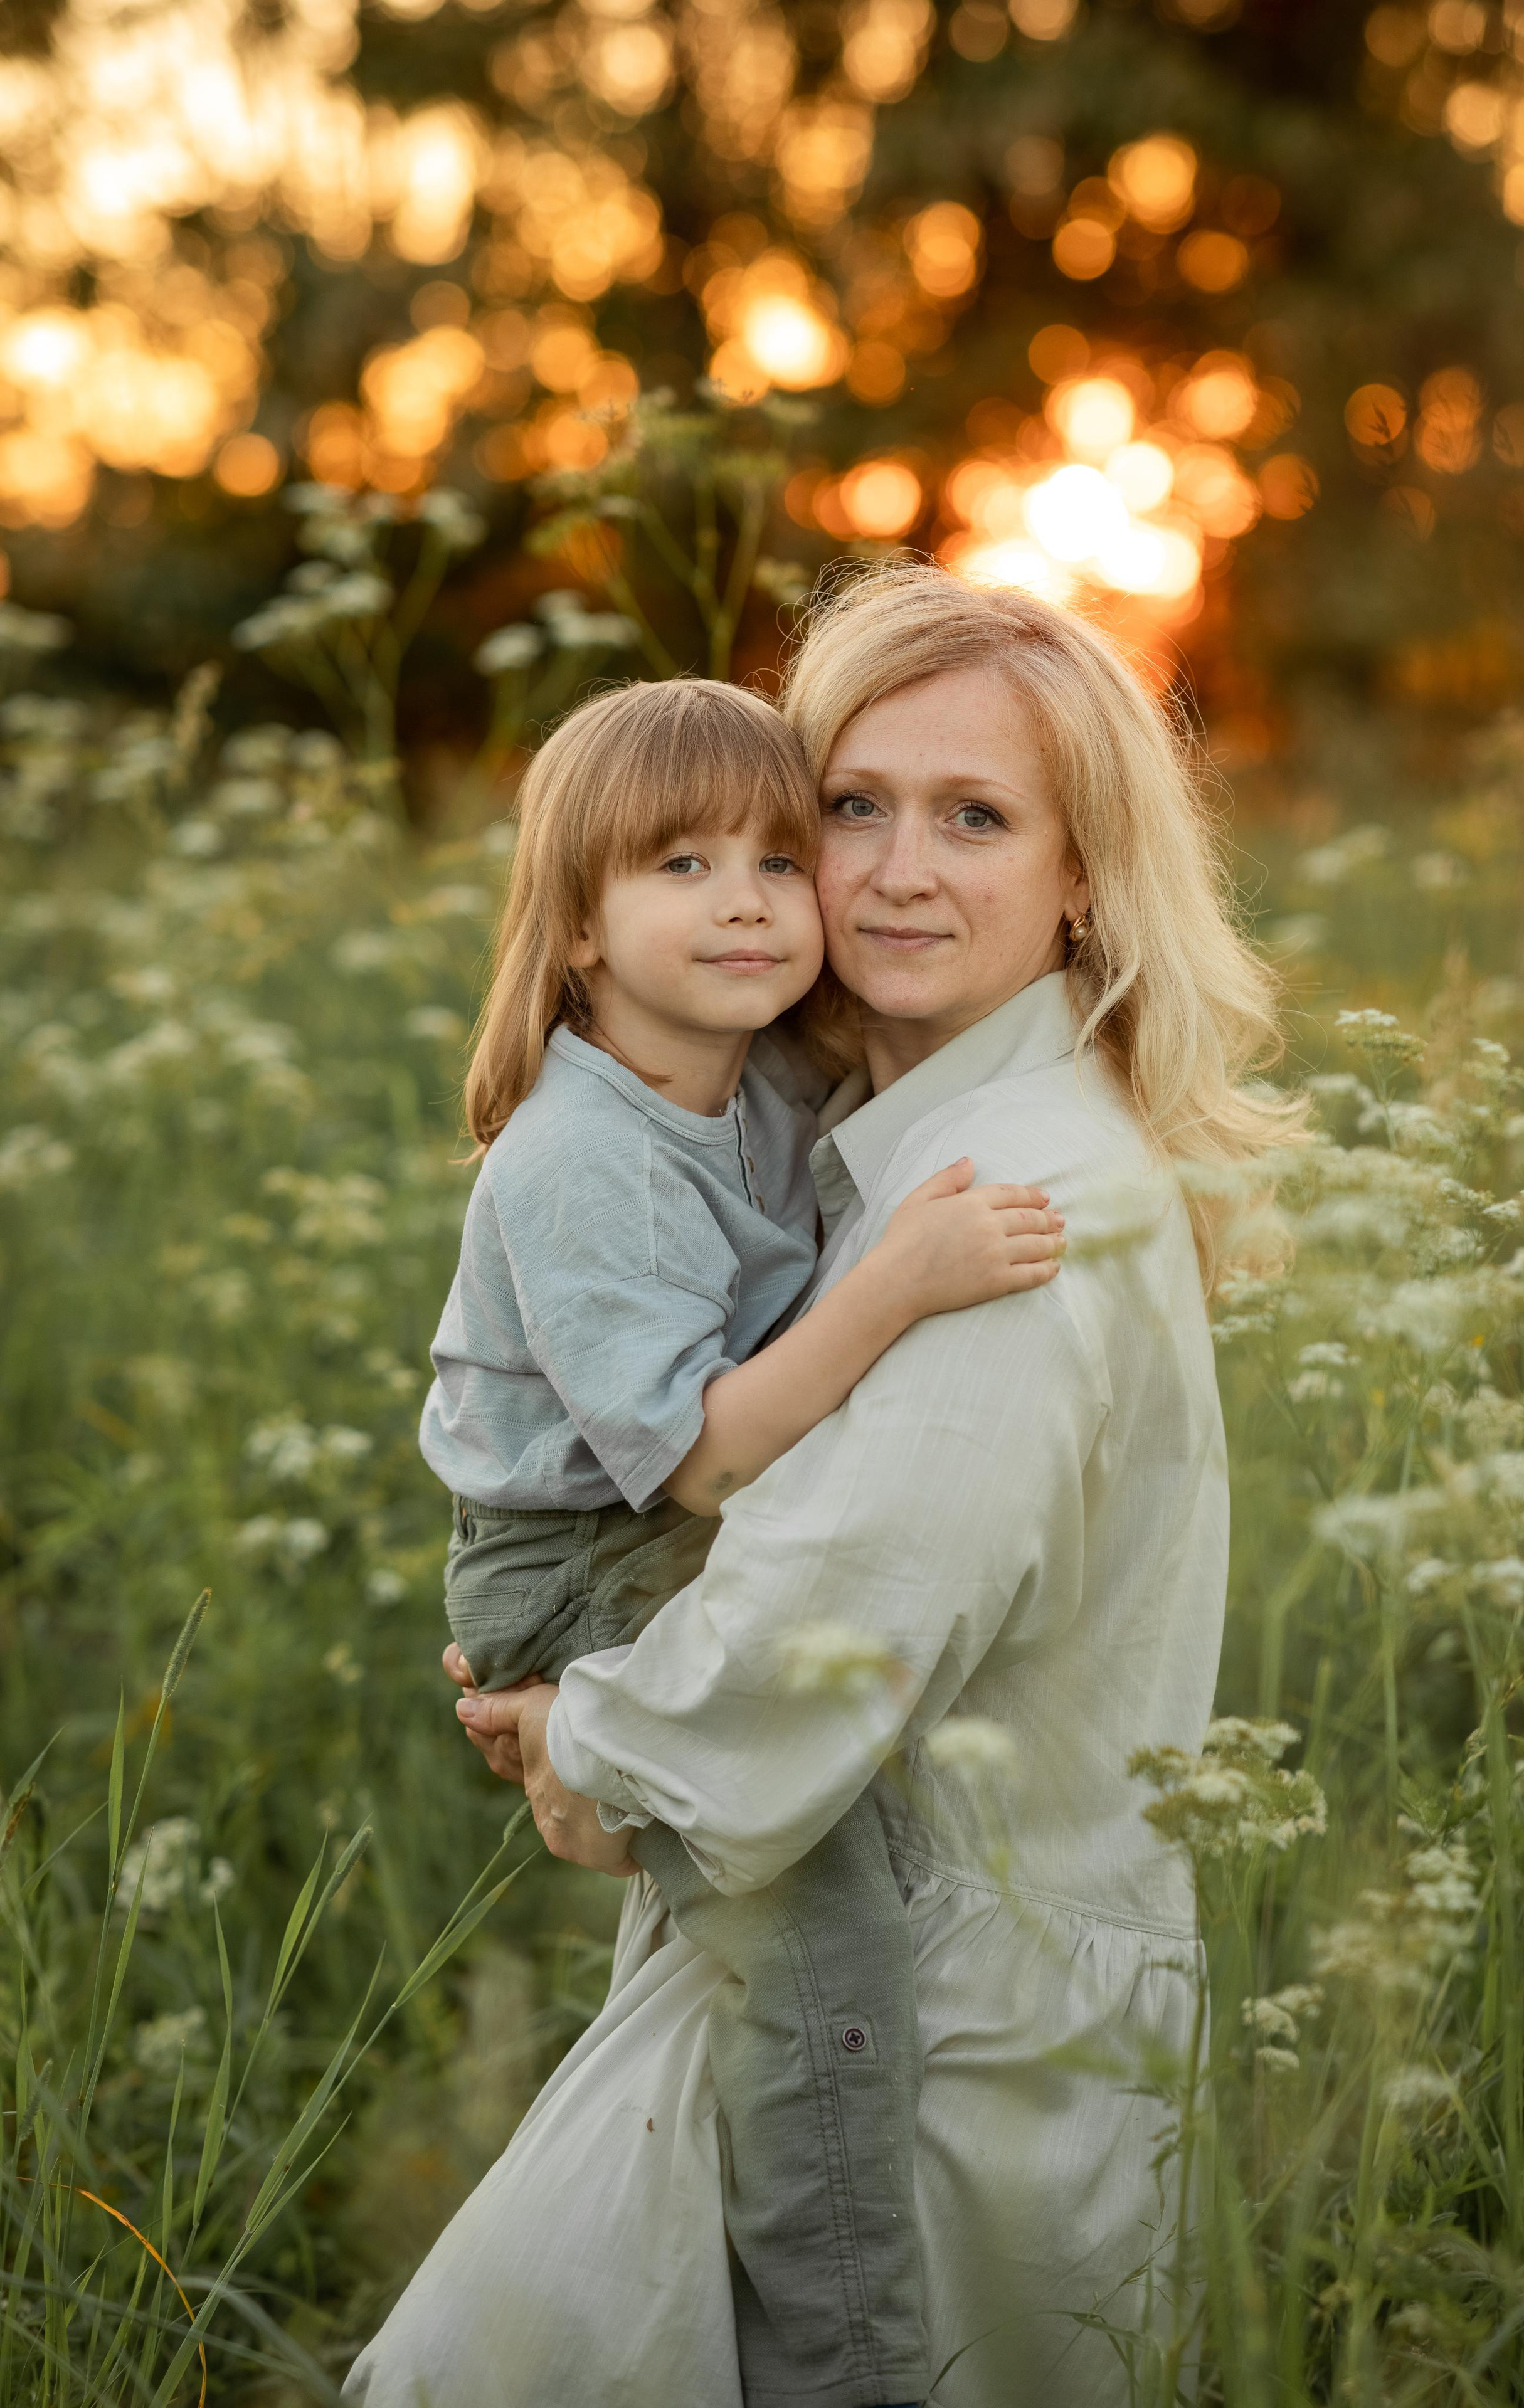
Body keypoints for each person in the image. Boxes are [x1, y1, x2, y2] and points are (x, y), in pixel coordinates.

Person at [347, 566, 1296, 2408]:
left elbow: (832, 1622)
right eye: (853, 807)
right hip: (826, 1926)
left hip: (949, 2035)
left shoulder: (1014, 1201)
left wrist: (578, 1745)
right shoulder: (864, 1130)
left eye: (976, 818)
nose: (895, 873)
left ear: (1084, 874)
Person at [415, 674, 1065, 2408]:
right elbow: (699, 1462)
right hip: (587, 1546)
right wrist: (901, 1283)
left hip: (648, 1521)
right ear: (577, 926)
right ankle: (847, 2361)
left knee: (830, 1822)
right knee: (817, 1939)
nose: (750, 903)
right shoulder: (579, 1159)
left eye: (782, 859)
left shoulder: (758, 1074)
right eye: (682, 865)